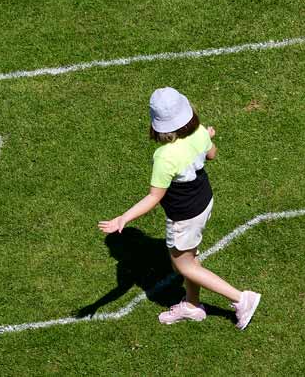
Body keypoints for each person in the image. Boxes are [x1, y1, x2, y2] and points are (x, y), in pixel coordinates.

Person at [99, 87, 262, 329]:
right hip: (204, 201)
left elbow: (154, 196)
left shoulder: (164, 157)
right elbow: (212, 155)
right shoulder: (199, 131)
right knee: (190, 258)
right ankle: (193, 306)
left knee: (183, 265)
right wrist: (207, 136)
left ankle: (241, 298)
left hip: (184, 216)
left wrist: (124, 217)